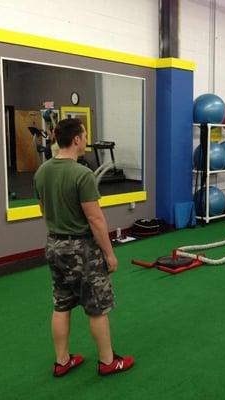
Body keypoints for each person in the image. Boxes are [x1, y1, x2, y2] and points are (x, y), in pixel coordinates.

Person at [33, 118, 134, 377]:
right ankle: (108, 361)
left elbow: (44, 211)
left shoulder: (42, 171)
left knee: (61, 304)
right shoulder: (82, 174)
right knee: (97, 307)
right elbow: (95, 219)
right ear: (76, 139)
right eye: (85, 134)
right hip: (81, 250)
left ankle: (62, 361)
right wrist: (109, 254)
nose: (87, 138)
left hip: (54, 245)